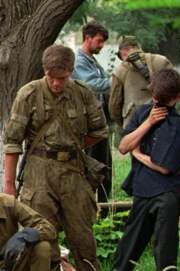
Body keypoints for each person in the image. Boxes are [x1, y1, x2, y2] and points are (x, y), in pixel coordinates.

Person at [4, 44, 108, 271]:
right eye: (52, 77)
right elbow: (12, 143)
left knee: (83, 239)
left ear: (71, 71)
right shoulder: (28, 94)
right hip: (38, 173)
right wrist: (9, 185)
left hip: (73, 173)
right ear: (44, 71)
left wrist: (73, 147)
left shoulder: (82, 93)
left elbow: (99, 131)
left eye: (62, 78)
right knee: (42, 240)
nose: (56, 83)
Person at [101, 69, 180, 271]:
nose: (158, 103)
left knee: (164, 251)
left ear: (176, 98)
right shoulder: (143, 114)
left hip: (168, 194)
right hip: (143, 190)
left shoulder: (178, 128)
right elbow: (123, 146)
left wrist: (138, 153)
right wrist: (149, 123)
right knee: (128, 248)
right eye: (155, 98)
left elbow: (164, 167)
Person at [72, 21, 113, 205]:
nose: (101, 45)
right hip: (87, 124)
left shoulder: (91, 60)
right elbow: (94, 84)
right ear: (87, 38)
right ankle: (88, 208)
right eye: (99, 40)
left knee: (104, 166)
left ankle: (104, 208)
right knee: (91, 167)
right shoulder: (79, 61)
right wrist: (119, 78)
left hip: (99, 121)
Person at [109, 37, 174, 128]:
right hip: (163, 121)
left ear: (124, 51)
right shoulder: (162, 61)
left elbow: (114, 107)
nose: (122, 60)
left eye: (121, 56)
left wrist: (124, 124)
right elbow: (177, 87)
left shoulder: (120, 70)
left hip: (133, 126)